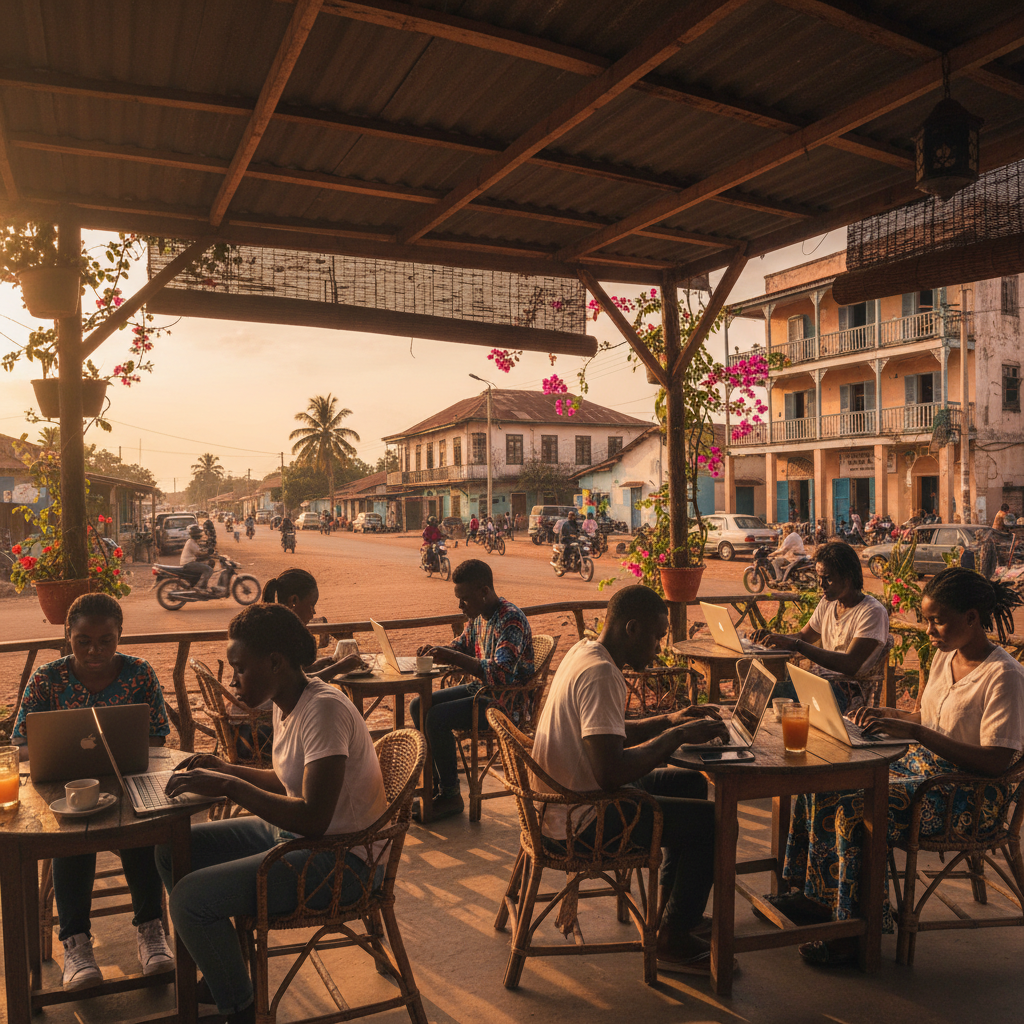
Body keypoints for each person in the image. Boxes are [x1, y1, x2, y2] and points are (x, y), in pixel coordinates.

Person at [155, 604, 388, 1023]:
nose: (234, 680)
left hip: (343, 860)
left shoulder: (324, 711)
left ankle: (241, 1009)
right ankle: (224, 971)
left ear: (275, 662)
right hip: (300, 840)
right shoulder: (288, 699)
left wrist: (230, 785)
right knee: (172, 849)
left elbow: (313, 818)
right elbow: (287, 780)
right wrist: (228, 769)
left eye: (240, 669)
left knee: (191, 900)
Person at [779, 567, 1024, 966]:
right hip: (923, 771)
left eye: (937, 620)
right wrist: (887, 715)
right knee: (823, 782)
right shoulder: (947, 658)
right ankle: (820, 900)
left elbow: (997, 761)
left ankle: (856, 933)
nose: (929, 630)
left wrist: (919, 735)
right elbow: (928, 718)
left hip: (966, 795)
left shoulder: (1005, 676)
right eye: (927, 620)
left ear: (972, 618)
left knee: (856, 807)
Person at [531, 584, 729, 974]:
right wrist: (675, 737)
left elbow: (609, 731)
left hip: (565, 803)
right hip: (581, 821)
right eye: (657, 638)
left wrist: (669, 720)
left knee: (690, 785)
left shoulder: (585, 651)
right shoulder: (603, 674)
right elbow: (610, 773)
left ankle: (674, 917)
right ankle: (673, 939)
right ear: (632, 629)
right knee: (713, 822)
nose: (659, 648)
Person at [12, 593, 174, 991]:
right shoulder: (48, 678)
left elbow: (157, 739)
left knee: (142, 827)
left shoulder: (140, 673)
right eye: (83, 640)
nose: (95, 650)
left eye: (106, 640)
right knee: (74, 834)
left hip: (126, 783)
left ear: (120, 636)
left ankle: (151, 930)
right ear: (68, 635)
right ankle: (76, 944)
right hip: (66, 787)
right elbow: (21, 743)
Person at [409, 559, 535, 820]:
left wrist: (453, 658)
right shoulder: (479, 618)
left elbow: (501, 674)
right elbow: (462, 646)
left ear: (484, 591)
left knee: (436, 717)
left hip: (505, 703)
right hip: (483, 691)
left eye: (464, 599)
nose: (460, 606)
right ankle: (433, 786)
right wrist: (438, 651)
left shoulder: (510, 620)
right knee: (418, 705)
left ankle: (450, 795)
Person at [751, 541, 890, 713]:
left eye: (828, 578)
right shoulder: (829, 603)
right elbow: (804, 636)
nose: (822, 584)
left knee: (768, 693)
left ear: (847, 578)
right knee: (760, 687)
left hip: (845, 693)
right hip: (820, 683)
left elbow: (850, 664)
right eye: (820, 578)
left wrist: (796, 645)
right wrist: (775, 638)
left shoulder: (872, 612)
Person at [180, 524, 215, 590]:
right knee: (209, 569)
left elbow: (199, 550)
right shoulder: (191, 543)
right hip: (189, 563)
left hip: (189, 562)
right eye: (198, 533)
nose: (200, 535)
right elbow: (199, 554)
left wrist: (207, 552)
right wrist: (208, 553)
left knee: (206, 564)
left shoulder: (192, 542)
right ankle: (201, 587)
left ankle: (201, 584)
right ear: (195, 534)